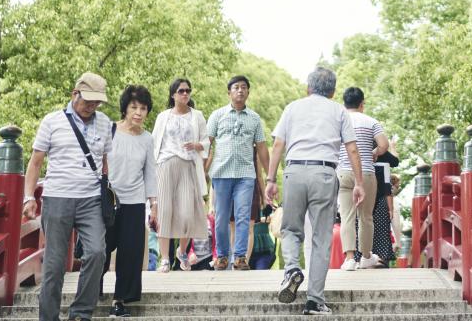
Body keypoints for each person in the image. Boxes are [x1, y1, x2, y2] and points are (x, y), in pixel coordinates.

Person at [264, 67, 366, 315]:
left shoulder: (292, 107)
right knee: (320, 238)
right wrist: (360, 183)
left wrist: (270, 179)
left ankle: (291, 269)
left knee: (291, 229)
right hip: (324, 172)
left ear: (308, 87)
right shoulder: (338, 110)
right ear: (332, 91)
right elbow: (352, 149)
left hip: (294, 171)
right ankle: (314, 300)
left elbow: (278, 143)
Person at [24, 72, 113, 321]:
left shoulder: (105, 123)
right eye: (88, 101)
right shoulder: (52, 121)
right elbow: (35, 163)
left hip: (91, 199)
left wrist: (110, 191)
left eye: (96, 102)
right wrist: (28, 197)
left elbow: (105, 162)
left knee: (97, 252)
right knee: (54, 264)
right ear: (75, 94)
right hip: (57, 198)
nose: (91, 107)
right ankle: (48, 317)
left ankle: (81, 313)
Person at [204, 74, 269, 270]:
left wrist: (270, 177)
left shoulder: (255, 119)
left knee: (242, 216)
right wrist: (201, 173)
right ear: (229, 92)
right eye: (236, 87)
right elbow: (207, 144)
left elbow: (263, 148)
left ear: (248, 92)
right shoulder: (217, 115)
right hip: (221, 174)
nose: (240, 90)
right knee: (222, 217)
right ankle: (222, 256)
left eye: (243, 87)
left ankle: (240, 257)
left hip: (245, 175)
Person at [105, 85, 158, 317]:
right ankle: (91, 290)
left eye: (143, 108)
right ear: (125, 109)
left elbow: (150, 172)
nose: (138, 112)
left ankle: (120, 299)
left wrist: (153, 204)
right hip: (107, 198)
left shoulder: (147, 139)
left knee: (130, 252)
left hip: (134, 201)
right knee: (100, 248)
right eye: (134, 107)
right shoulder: (110, 131)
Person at [152, 78, 210, 270]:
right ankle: (165, 258)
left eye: (187, 90)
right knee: (165, 211)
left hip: (188, 165)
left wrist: (197, 145)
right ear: (173, 94)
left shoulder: (197, 116)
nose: (185, 94)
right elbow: (154, 143)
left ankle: (182, 251)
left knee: (187, 214)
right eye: (181, 91)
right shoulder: (163, 116)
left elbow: (207, 142)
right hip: (165, 165)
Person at [337, 87, 389, 271]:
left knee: (347, 216)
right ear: (362, 104)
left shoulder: (339, 120)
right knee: (366, 217)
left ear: (344, 103)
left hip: (343, 172)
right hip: (366, 172)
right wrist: (374, 153)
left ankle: (349, 258)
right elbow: (384, 145)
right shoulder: (371, 122)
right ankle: (366, 256)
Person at [370, 148, 400, 266]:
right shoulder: (385, 162)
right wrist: (391, 209)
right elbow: (387, 188)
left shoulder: (361, 157)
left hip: (365, 197)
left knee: (364, 226)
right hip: (382, 198)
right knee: (382, 228)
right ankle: (381, 257)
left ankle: (363, 255)